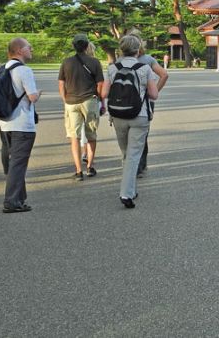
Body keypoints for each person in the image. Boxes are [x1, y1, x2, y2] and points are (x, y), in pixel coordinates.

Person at [103, 34, 159, 208]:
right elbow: (154, 95)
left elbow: (104, 93)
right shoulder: (144, 68)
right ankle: (126, 193)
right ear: (138, 49)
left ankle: (131, 189)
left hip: (118, 115)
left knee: (127, 154)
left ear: (122, 49)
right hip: (139, 115)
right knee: (134, 155)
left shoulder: (112, 68)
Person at [0, 37, 40, 214]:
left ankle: (20, 198)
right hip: (22, 122)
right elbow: (32, 97)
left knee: (13, 160)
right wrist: (38, 93)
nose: (31, 48)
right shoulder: (24, 71)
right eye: (28, 47)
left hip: (5, 121)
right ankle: (12, 200)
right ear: (19, 50)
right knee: (18, 162)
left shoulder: (2, 69)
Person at [58, 34, 104, 181]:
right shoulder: (94, 62)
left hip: (71, 102)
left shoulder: (66, 62)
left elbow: (61, 83)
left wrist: (65, 99)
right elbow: (100, 83)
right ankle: (90, 166)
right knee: (91, 135)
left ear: (73, 46)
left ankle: (78, 170)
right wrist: (99, 98)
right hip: (89, 100)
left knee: (74, 137)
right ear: (86, 46)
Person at [135, 42, 169, 178]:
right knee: (143, 134)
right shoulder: (148, 59)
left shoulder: (120, 61)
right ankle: (140, 165)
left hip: (125, 103)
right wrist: (154, 91)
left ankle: (132, 165)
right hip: (146, 102)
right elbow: (164, 75)